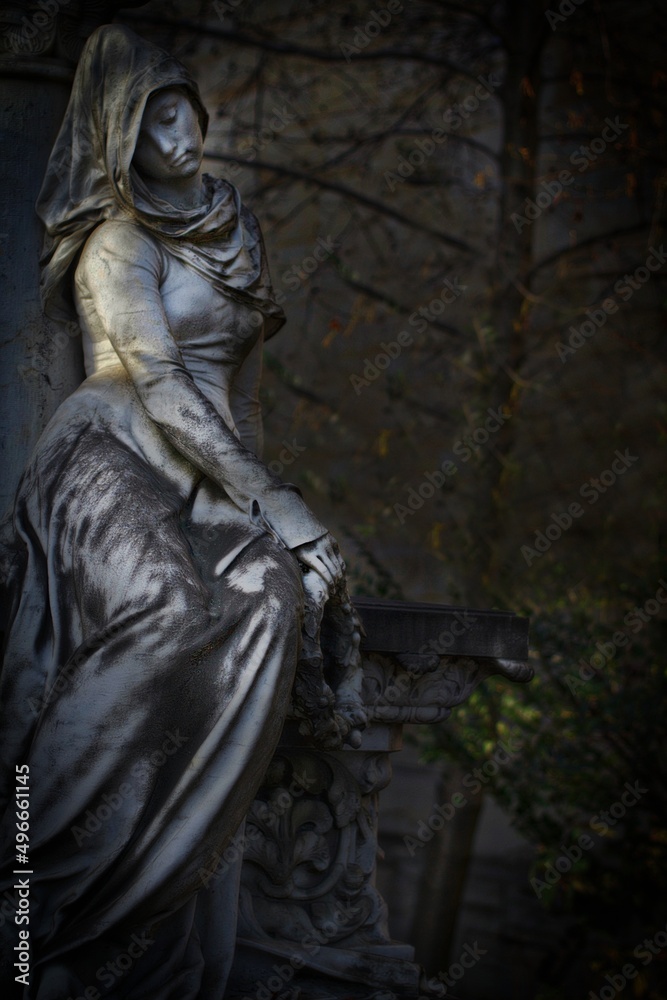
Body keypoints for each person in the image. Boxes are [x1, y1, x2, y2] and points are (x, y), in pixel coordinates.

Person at [0, 23, 362, 999]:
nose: (183, 132)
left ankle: (156, 888)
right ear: (122, 132)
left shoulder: (234, 232)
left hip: (207, 470)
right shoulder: (116, 242)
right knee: (167, 608)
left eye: (188, 112)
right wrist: (279, 504)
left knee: (270, 596)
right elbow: (160, 382)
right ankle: (29, 871)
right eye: (159, 116)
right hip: (109, 451)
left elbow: (237, 402)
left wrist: (272, 520)